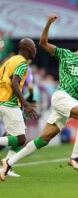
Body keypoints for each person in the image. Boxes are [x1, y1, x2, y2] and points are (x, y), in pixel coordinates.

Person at [0, 13, 78, 181]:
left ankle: (9, 162)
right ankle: (74, 156)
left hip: (70, 102)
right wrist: (48, 23)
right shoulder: (65, 54)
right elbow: (43, 43)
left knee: (44, 139)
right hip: (61, 96)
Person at [0, 38, 38, 177]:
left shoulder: (10, 60)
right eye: (34, 46)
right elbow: (14, 84)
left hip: (2, 100)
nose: (35, 49)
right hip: (9, 103)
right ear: (28, 48)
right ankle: (7, 165)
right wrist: (26, 104)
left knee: (17, 134)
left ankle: (7, 164)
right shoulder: (22, 63)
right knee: (20, 139)